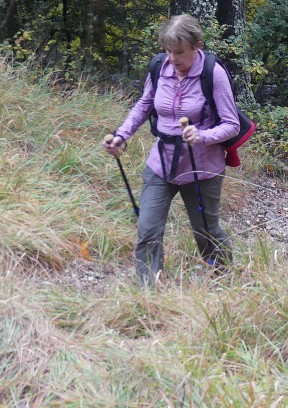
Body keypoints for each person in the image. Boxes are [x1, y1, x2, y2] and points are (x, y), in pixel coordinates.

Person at [103, 14, 240, 287]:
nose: (172, 58)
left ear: (196, 46)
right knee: (147, 230)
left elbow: (232, 125)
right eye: (168, 51)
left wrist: (202, 136)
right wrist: (121, 134)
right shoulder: (159, 67)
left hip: (201, 167)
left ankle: (225, 280)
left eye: (179, 52)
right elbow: (144, 105)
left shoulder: (213, 73)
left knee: (206, 233)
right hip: (161, 163)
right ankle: (149, 291)